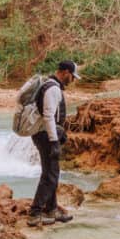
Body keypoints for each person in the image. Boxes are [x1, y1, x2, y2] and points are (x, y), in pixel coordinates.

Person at [28, 60, 80, 227]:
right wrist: (54, 141)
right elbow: (49, 117)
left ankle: (51, 209)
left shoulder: (48, 84)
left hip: (43, 134)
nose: (72, 80)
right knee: (50, 175)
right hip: (46, 136)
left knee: (51, 173)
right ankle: (35, 213)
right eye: (72, 76)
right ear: (65, 72)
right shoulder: (52, 88)